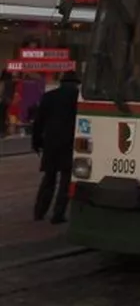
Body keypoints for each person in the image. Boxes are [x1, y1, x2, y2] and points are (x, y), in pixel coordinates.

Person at [31, 71, 80, 224]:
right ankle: (58, 214)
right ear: (76, 83)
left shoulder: (49, 96)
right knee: (65, 180)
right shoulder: (78, 98)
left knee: (48, 179)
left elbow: (38, 122)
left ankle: (39, 211)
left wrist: (36, 142)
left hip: (51, 142)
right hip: (69, 143)